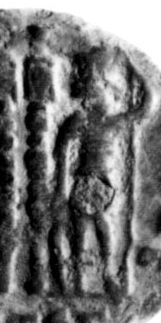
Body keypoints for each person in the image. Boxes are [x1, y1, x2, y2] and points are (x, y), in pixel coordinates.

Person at [50, 46, 147, 300]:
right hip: (83, 184)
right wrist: (60, 191)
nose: (95, 93)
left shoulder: (115, 122)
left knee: (105, 232)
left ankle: (108, 277)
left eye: (100, 86)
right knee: (81, 235)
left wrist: (135, 68)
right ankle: (77, 282)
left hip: (106, 187)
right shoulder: (79, 121)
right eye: (91, 86)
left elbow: (146, 107)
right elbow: (62, 156)